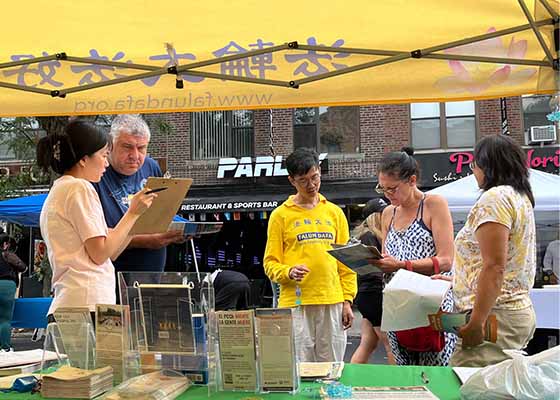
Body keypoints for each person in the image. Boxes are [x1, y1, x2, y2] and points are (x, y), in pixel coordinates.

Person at [37, 120, 156, 316]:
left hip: (75, 302)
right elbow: (100, 253)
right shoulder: (79, 188)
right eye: (103, 155)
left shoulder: (61, 189)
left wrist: (135, 217)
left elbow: (111, 252)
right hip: (86, 304)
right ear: (84, 159)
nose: (106, 163)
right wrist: (132, 212)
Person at [449, 135, 537, 367]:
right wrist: (457, 278)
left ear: (487, 166)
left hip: (495, 313)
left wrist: (477, 323)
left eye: (474, 165)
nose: (473, 172)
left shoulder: (495, 198)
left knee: (466, 386)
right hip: (511, 311)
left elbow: (495, 265)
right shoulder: (519, 197)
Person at [264, 148, 357, 362]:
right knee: (298, 369)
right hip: (295, 304)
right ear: (291, 181)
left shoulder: (335, 213)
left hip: (332, 301)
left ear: (320, 172)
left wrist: (347, 300)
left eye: (314, 177)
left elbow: (346, 262)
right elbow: (270, 263)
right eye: (303, 180)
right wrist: (288, 271)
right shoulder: (280, 215)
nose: (311, 184)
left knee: (332, 369)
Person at [370, 147, 456, 366]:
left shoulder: (433, 204)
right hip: (397, 304)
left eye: (393, 189)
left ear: (412, 181)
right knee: (403, 373)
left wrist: (401, 265)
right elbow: (387, 255)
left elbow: (446, 260)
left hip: (432, 302)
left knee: (437, 369)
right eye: (383, 189)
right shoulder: (389, 212)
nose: (388, 194)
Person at [93, 114, 184, 276]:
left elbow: (158, 216)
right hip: (112, 275)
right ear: (111, 145)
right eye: (127, 147)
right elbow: (95, 238)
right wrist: (147, 241)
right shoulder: (96, 172)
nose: (135, 156)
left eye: (141, 148)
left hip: (153, 271)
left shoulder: (151, 166)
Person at [350, 198, 395, 364]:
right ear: (374, 217)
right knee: (391, 344)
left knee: (368, 344)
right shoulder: (369, 236)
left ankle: (352, 379)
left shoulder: (368, 235)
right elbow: (373, 271)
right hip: (375, 293)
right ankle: (397, 385)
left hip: (369, 294)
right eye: (382, 214)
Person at [0, 234, 27, 351]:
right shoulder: (7, 255)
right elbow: (23, 267)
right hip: (6, 285)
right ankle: (5, 347)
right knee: (5, 319)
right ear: (5, 244)